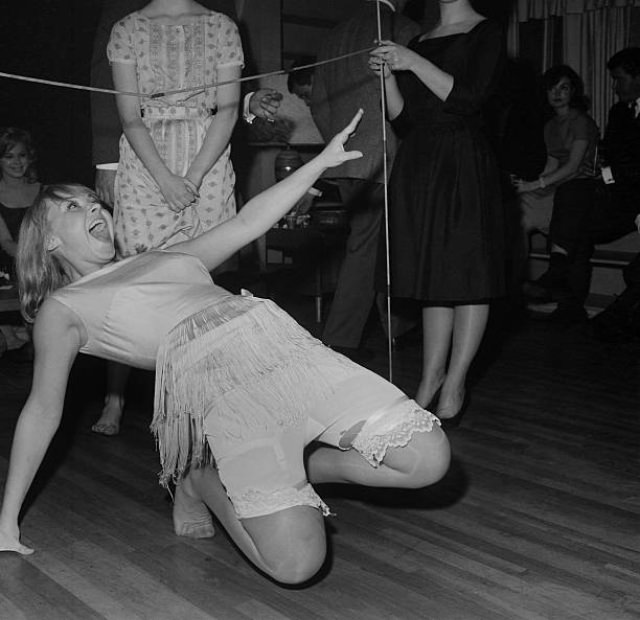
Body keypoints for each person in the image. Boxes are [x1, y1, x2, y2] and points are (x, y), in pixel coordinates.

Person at [0, 113, 451, 587]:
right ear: (47, 240)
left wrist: (318, 164)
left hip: (295, 359)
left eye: (94, 201)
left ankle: (304, 464)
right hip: (235, 404)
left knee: (427, 460)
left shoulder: (163, 256)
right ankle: (199, 482)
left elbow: (248, 220)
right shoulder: (64, 308)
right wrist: (7, 518)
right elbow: (42, 411)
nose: (93, 208)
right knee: (296, 566)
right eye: (72, 207)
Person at [92, 0, 280, 436]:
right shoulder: (126, 28)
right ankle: (115, 398)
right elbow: (128, 115)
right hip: (145, 166)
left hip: (208, 159)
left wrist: (194, 176)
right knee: (133, 282)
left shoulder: (222, 26)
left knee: (201, 284)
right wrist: (165, 180)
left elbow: (228, 109)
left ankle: (194, 399)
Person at [369, 0, 505, 420]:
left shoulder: (487, 32)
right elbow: (404, 120)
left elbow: (469, 98)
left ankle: (456, 380)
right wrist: (389, 78)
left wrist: (411, 61)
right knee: (434, 274)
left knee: (466, 271)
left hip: (462, 159)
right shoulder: (419, 39)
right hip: (421, 161)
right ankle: (429, 378)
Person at [310, 0, 421, 358]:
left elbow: (318, 102)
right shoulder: (405, 29)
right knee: (369, 248)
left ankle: (397, 327)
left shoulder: (334, 35)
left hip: (347, 159)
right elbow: (415, 104)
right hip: (388, 157)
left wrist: (341, 143)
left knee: (379, 247)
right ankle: (339, 340)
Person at [529, 48, 640, 323]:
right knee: (575, 221)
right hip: (614, 195)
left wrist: (608, 171)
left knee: (573, 199)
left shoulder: (582, 121)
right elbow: (611, 153)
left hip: (635, 198)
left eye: (619, 79)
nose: (615, 87)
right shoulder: (619, 112)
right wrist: (601, 164)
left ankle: (558, 274)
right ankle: (570, 306)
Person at [513, 65, 599, 317]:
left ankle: (547, 277)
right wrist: (531, 184)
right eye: (552, 88)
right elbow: (551, 164)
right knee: (514, 209)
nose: (557, 93)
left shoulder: (581, 121)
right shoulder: (550, 125)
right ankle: (516, 282)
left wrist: (535, 185)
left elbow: (573, 166)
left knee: (526, 210)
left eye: (564, 87)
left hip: (580, 187)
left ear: (574, 91)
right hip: (558, 186)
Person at [0, 128, 41, 271]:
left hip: (49, 265)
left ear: (30, 157)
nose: (17, 161)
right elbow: (6, 242)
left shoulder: (44, 191)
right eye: (9, 156)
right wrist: (36, 260)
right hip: (12, 271)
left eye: (22, 155)